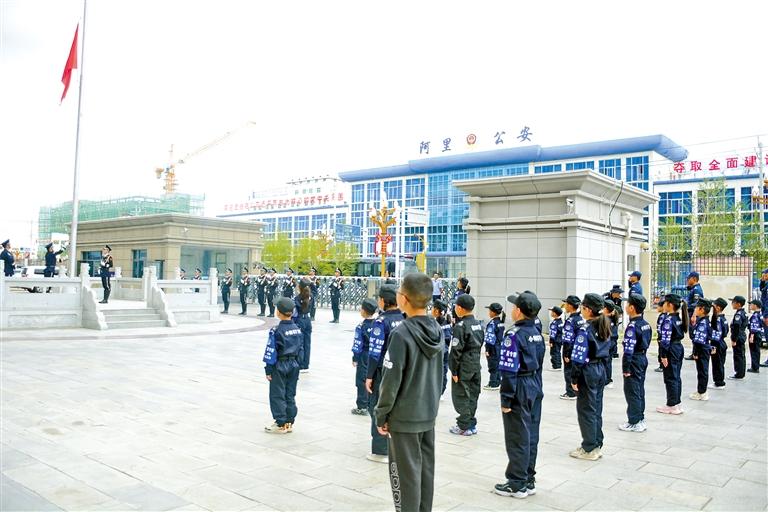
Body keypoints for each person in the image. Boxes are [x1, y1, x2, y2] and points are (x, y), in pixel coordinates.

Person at [375, 273, 443, 512]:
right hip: (428, 413)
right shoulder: (437, 329)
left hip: (404, 417)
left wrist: (381, 414)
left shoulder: (401, 334)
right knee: (424, 472)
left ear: (403, 298)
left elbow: (390, 381)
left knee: (404, 477)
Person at [494, 291, 543, 499]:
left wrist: (506, 399)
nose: (512, 310)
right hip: (534, 384)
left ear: (519, 311)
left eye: (514, 307)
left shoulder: (514, 335)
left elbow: (509, 369)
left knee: (517, 436)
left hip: (519, 387)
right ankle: (528, 478)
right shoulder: (537, 333)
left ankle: (516, 483)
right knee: (531, 434)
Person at [365, 284, 404, 463]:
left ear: (382, 301)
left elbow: (375, 352)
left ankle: (381, 450)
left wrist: (369, 376)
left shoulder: (381, 322)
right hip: (402, 370)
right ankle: (396, 446)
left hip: (384, 371)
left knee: (379, 407)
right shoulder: (404, 318)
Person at [569, 293, 611, 461]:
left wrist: (574, 378)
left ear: (587, 309)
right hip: (599, 369)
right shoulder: (603, 325)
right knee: (596, 409)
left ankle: (589, 448)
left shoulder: (585, 330)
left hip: (588, 371)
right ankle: (596, 443)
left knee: (586, 410)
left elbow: (578, 357)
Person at [263, 297, 304, 434]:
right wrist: (298, 364)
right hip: (294, 364)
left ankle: (280, 422)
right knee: (290, 393)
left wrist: (268, 370)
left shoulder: (276, 330)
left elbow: (271, 351)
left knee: (277, 393)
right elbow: (301, 349)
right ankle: (289, 422)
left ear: (278, 313)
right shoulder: (297, 329)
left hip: (280, 365)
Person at [449, 293, 483, 436]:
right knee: (473, 394)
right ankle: (471, 424)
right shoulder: (478, 324)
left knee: (461, 395)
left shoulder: (460, 326)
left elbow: (456, 351)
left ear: (460, 308)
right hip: (475, 364)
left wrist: (454, 371)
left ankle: (464, 426)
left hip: (463, 366)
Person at [618, 293, 651, 433]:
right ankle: (640, 418)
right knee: (639, 390)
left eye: (627, 304)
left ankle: (634, 421)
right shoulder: (646, 324)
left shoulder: (632, 326)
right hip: (642, 358)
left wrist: (626, 368)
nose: (625, 307)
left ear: (632, 307)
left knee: (632, 391)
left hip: (634, 360)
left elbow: (628, 350)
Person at [656, 294, 688, 415]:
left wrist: (663, 355)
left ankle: (671, 405)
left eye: (664, 303)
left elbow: (665, 340)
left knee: (670, 377)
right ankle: (676, 403)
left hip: (671, 349)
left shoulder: (668, 320)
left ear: (670, 305)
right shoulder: (678, 318)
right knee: (676, 376)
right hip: (678, 347)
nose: (663, 305)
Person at [351, 298, 377, 415]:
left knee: (362, 379)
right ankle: (372, 403)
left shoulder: (361, 327)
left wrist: (355, 358)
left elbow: (358, 344)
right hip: (375, 355)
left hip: (364, 355)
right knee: (374, 377)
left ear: (364, 311)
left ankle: (362, 405)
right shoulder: (378, 324)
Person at [560, 295, 584, 400]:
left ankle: (570, 392)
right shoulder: (580, 319)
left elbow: (567, 339)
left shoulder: (570, 321)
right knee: (576, 370)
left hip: (571, 349)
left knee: (568, 371)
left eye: (566, 304)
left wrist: (566, 353)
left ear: (570, 305)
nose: (564, 306)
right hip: (578, 349)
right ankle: (576, 389)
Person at [689, 298, 713, 401]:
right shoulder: (703, 321)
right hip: (703, 349)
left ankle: (702, 392)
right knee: (702, 371)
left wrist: (695, 352)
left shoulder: (703, 323)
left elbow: (698, 341)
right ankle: (701, 390)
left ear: (702, 309)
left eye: (696, 308)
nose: (695, 310)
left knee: (702, 371)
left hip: (702, 350)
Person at [431, 299, 452, 399]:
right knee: (443, 371)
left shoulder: (435, 323)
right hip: (445, 351)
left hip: (437, 352)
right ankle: (440, 391)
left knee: (436, 372)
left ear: (436, 310)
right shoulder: (447, 322)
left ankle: (437, 392)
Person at [483, 303, 505, 391]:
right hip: (500, 347)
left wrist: (487, 349)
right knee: (498, 365)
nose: (488, 312)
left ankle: (493, 383)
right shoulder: (500, 323)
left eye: (489, 311)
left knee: (492, 366)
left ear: (493, 312)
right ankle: (498, 381)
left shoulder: (492, 324)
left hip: (493, 348)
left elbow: (490, 338)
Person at [293, 279, 313, 374]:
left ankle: (300, 364)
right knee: (307, 343)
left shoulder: (297, 298)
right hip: (308, 320)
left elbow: (295, 311)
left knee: (300, 343)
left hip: (300, 320)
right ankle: (306, 365)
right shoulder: (311, 296)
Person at [709, 298, 729, 390]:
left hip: (717, 343)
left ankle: (719, 382)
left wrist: (713, 346)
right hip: (721, 342)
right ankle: (719, 381)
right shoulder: (723, 318)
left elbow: (716, 334)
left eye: (714, 306)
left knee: (717, 363)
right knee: (720, 363)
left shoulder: (717, 319)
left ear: (718, 308)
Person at [684, 272, 704, 360]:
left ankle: (696, 353)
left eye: (688, 279)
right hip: (691, 313)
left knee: (694, 334)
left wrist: (694, 316)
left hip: (694, 314)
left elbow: (697, 304)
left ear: (694, 279)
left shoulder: (697, 290)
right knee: (692, 334)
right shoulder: (693, 289)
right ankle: (695, 352)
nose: (687, 281)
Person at [729, 295, 748, 380]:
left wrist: (734, 339)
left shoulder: (739, 314)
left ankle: (739, 374)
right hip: (741, 335)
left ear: (739, 304)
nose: (732, 304)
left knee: (738, 355)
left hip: (738, 336)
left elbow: (736, 327)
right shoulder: (743, 313)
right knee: (741, 355)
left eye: (733, 302)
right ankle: (740, 373)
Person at [602, 301, 620, 389]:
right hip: (612, 343)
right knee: (608, 362)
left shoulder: (606, 320)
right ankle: (607, 379)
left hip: (607, 344)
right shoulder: (612, 318)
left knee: (606, 362)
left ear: (606, 309)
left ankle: (607, 380)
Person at [747, 299, 763, 374]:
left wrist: (752, 336)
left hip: (754, 334)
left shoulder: (755, 315)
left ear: (755, 306)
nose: (750, 306)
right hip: (758, 333)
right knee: (756, 351)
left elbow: (754, 326)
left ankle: (754, 367)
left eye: (751, 304)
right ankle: (755, 366)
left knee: (754, 351)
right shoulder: (760, 314)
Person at [548, 306, 564, 371]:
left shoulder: (555, 323)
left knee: (554, 352)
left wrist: (551, 341)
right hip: (560, 339)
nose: (551, 313)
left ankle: (556, 366)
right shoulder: (560, 322)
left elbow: (553, 333)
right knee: (557, 352)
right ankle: (558, 365)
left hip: (555, 340)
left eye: (552, 312)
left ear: (555, 313)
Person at [654, 299, 666, 373]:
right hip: (661, 337)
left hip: (662, 338)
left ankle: (662, 366)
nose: (657, 308)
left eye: (658, 306)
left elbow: (660, 328)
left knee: (661, 352)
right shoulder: (664, 315)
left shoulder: (662, 316)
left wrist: (660, 337)